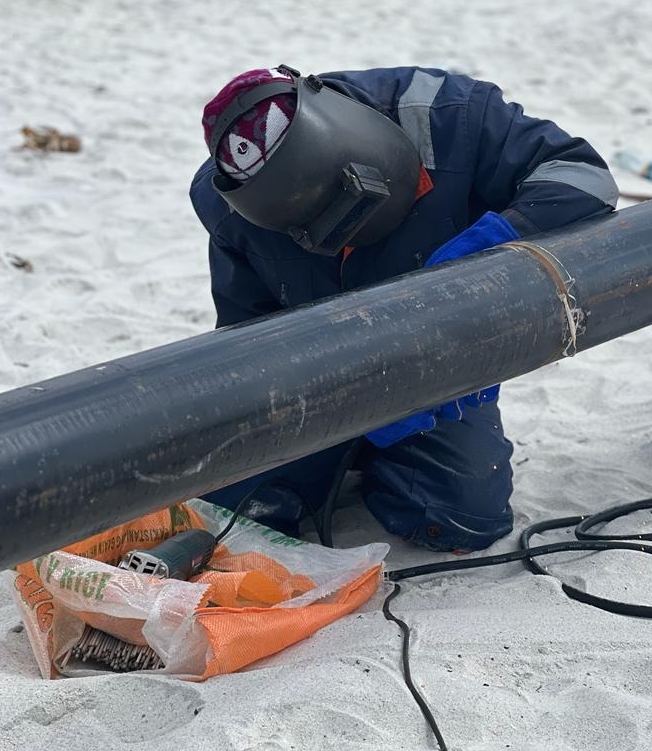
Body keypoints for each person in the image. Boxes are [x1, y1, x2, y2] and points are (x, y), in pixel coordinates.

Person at [190, 65, 617, 552]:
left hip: (438, 359)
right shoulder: (225, 201)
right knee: (233, 508)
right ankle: (337, 453)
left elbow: (585, 177)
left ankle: (382, 462)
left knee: (462, 516)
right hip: (321, 375)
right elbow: (246, 331)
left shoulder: (449, 113)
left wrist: (489, 250)